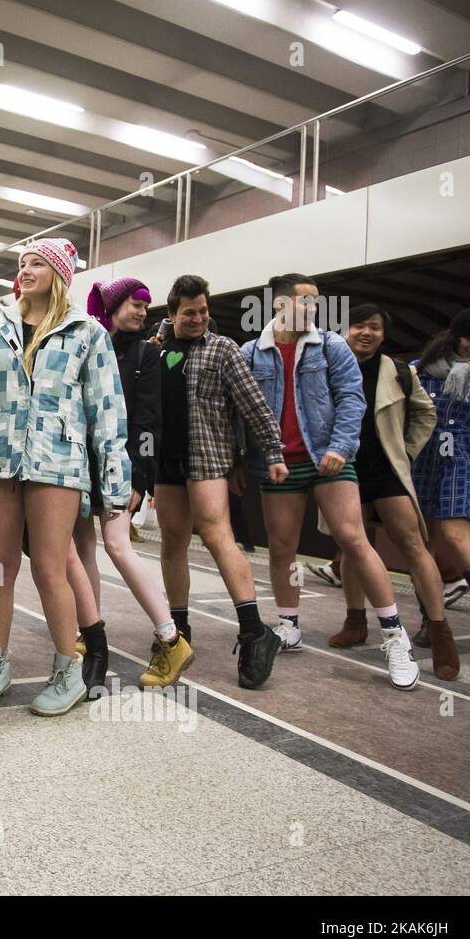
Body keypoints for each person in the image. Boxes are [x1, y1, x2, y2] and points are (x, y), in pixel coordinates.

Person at [0, 238, 129, 717]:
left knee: (50, 567)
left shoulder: (87, 333)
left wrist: (115, 484)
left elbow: (107, 412)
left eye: (36, 264)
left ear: (58, 275)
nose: (25, 270)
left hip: (57, 462)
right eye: (22, 263)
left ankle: (68, 670)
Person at [242, 276, 418, 690]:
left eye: (316, 303)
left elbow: (352, 398)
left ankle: (394, 636)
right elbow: (244, 411)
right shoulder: (253, 352)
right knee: (283, 546)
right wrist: (257, 458)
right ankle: (289, 625)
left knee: (353, 539)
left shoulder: (332, 346)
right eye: (306, 302)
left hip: (329, 459)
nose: (314, 309)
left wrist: (340, 447)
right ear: (280, 304)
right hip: (280, 463)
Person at [150, 275, 287, 690]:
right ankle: (179, 632)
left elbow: (254, 406)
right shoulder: (157, 350)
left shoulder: (223, 349)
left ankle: (254, 631)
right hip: (166, 462)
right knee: (172, 539)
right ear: (172, 314)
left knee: (216, 535)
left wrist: (274, 452)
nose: (199, 318)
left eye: (204, 311)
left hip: (207, 458)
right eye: (189, 312)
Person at [70, 277, 192, 695]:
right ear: (113, 306)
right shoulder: (88, 343)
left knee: (118, 546)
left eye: (145, 305)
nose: (142, 311)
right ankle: (89, 629)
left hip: (119, 466)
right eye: (134, 303)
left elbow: (148, 422)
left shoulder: (147, 355)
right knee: (84, 548)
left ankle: (170, 638)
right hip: (81, 464)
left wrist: (140, 475)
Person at [323, 304, 459, 678]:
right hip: (343, 467)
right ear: (346, 329)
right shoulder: (327, 365)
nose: (366, 332)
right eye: (359, 325)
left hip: (386, 469)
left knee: (413, 545)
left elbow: (425, 413)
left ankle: (439, 628)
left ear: (384, 335)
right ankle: (355, 621)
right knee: (351, 546)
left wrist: (407, 450)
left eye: (375, 327)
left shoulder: (398, 371)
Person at [410, 306, 470, 646]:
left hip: (461, 457)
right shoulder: (420, 372)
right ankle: (432, 623)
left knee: (456, 537)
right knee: (422, 546)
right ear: (454, 335)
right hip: (421, 458)